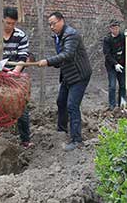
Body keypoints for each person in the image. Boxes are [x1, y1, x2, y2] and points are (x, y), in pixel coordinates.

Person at [38, 12, 92, 151]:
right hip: (68, 75)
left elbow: (67, 55)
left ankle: (76, 140)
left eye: (53, 23)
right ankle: (62, 131)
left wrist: (48, 61)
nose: (51, 26)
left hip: (79, 76)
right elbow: (62, 58)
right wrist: (52, 62)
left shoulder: (71, 35)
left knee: (72, 105)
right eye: (49, 24)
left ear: (62, 21)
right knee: (61, 101)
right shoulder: (58, 36)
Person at [0, 7, 33, 148]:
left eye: (12, 23)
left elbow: (23, 57)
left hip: (13, 75)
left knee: (21, 107)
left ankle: (25, 140)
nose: (10, 26)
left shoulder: (20, 35)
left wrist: (15, 72)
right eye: (7, 23)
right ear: (2, 20)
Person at [103, 19, 127, 110]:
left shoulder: (123, 36)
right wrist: (115, 64)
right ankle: (112, 106)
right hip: (111, 66)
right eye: (113, 28)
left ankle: (122, 104)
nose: (115, 30)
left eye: (117, 28)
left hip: (122, 64)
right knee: (112, 85)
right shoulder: (107, 39)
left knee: (122, 85)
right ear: (110, 29)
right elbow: (107, 54)